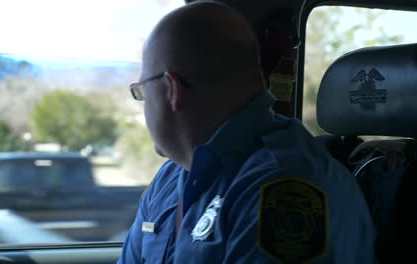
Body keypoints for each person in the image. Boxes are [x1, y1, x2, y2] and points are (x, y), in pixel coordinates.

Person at [119, 1, 376, 263]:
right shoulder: (169, 179)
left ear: (172, 89)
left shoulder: (284, 185)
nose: (144, 105)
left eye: (142, 92)